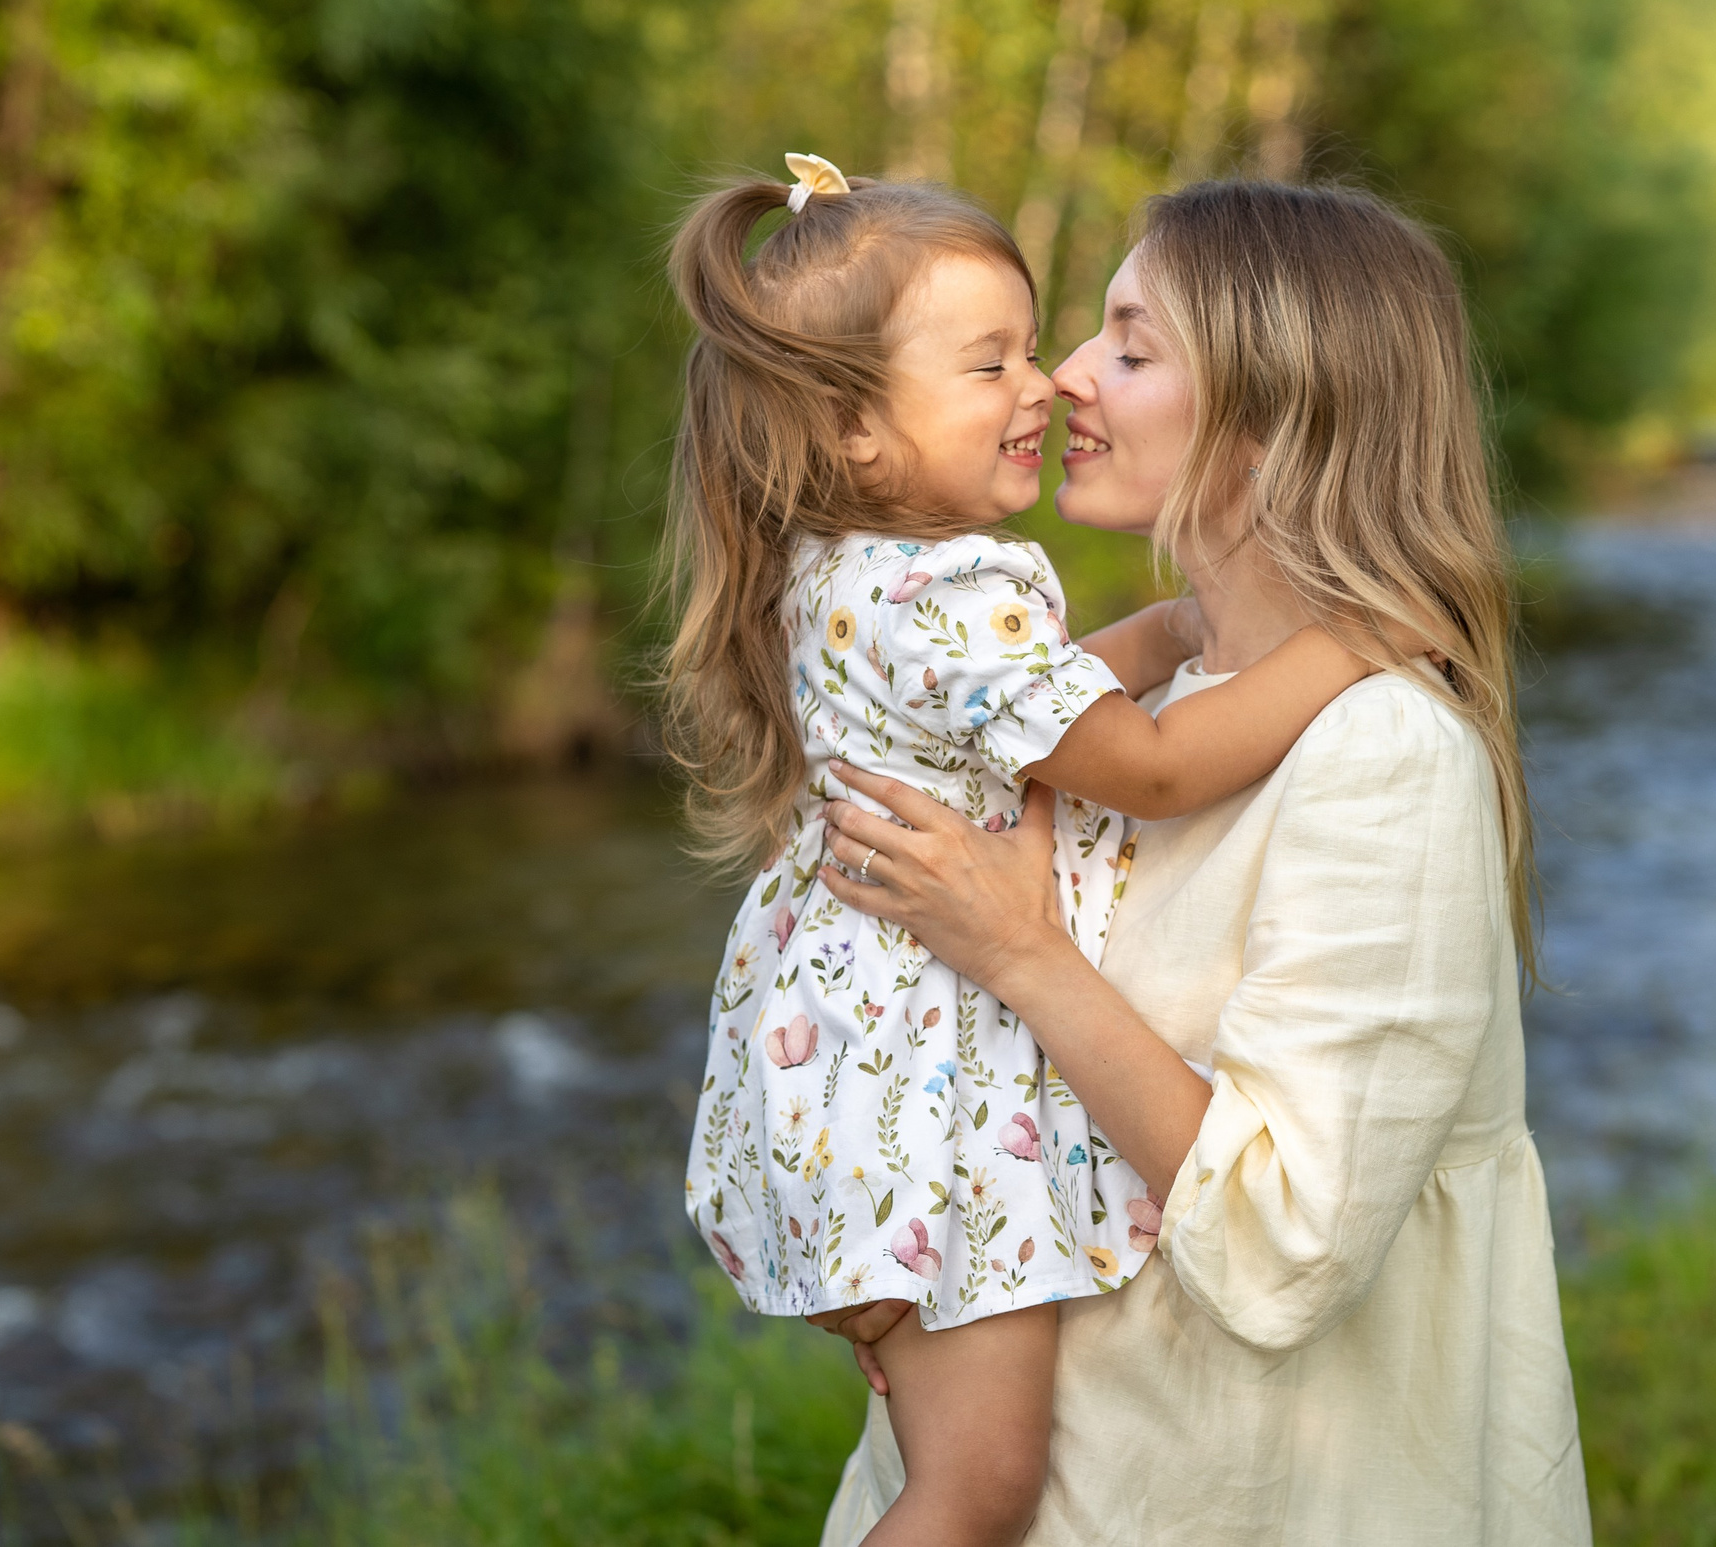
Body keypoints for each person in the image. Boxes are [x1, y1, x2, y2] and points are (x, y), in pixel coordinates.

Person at [810, 180, 1593, 1545]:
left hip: (1217, 1495)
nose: (1065, 378)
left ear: (1275, 423)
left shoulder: (1385, 751)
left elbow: (1292, 1242)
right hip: (1028, 1464)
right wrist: (891, 1258)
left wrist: (1020, 954)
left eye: (1129, 347)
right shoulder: (1150, 720)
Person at [661, 157, 1375, 1547]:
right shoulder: (949, 589)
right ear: (854, 428)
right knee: (975, 1495)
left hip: (857, 1087)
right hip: (920, 1106)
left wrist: (1178, 630)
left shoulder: (850, 572)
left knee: (958, 1476)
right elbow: (1149, 768)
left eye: (1033, 348)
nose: (1044, 385)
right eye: (990, 363)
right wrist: (1349, 644)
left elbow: (1025, 708)